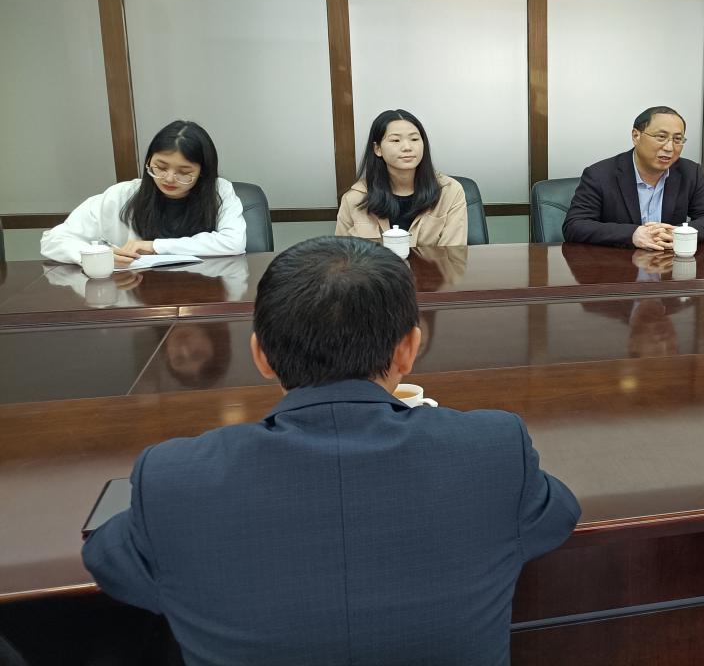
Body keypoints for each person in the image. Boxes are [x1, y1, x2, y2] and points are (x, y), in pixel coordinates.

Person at [83, 236, 579, 666]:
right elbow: (555, 515)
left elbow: (111, 561)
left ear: (260, 356)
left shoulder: (175, 478)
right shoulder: (491, 449)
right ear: (409, 349)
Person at [40, 120, 246, 268]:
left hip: (206, 290)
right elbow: (53, 241)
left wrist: (155, 246)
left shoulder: (219, 191)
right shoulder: (122, 195)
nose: (169, 178)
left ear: (203, 172)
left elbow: (234, 242)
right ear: (148, 161)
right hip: (136, 293)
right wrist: (97, 255)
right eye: (160, 167)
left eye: (184, 172)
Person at [562, 106, 704, 248]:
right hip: (618, 266)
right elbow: (575, 225)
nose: (669, 147)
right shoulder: (599, 174)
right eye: (661, 137)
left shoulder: (690, 172)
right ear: (636, 136)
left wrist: (681, 233)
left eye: (677, 139)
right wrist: (632, 234)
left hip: (669, 266)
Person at [336, 108, 467, 247]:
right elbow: (342, 254)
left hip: (435, 263)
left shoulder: (450, 192)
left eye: (414, 139)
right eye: (395, 140)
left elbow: (453, 254)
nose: (407, 147)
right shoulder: (354, 198)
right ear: (377, 149)